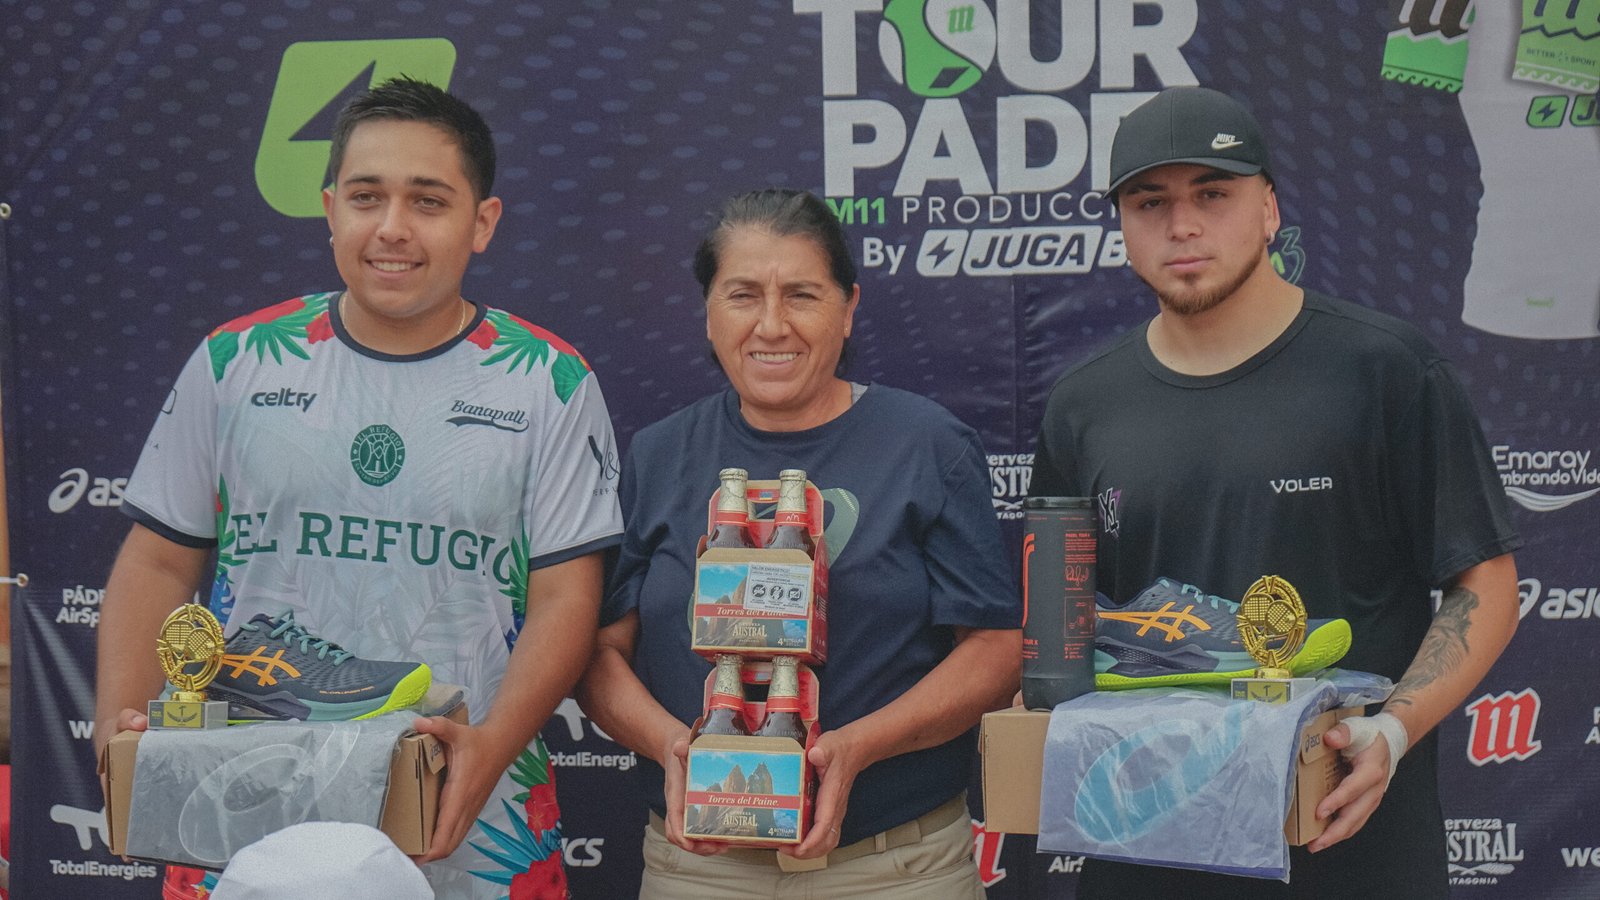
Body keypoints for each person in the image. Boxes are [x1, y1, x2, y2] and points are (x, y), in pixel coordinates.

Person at [93, 77, 622, 900]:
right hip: (246, 806)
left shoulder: (548, 381)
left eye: (428, 201)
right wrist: (118, 742)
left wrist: (490, 748)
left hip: (470, 819)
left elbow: (565, 598)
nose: (392, 228)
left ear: (483, 222)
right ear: (330, 209)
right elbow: (157, 562)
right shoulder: (238, 361)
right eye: (367, 197)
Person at [1030, 86, 1523, 898]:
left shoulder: (1385, 370)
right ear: (1121, 224)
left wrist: (1394, 732)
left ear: (1269, 210)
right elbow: (1070, 624)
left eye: (1212, 195)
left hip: (1345, 838)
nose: (1182, 226)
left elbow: (1485, 580)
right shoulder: (1085, 404)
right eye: (1150, 202)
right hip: (1151, 848)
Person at [576, 188, 1020, 899]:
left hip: (892, 870)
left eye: (802, 295)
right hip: (700, 871)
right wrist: (674, 745)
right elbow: (599, 654)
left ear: (848, 308)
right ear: (709, 312)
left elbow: (994, 649)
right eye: (743, 295)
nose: (772, 324)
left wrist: (860, 747)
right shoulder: (660, 455)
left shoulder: (927, 445)